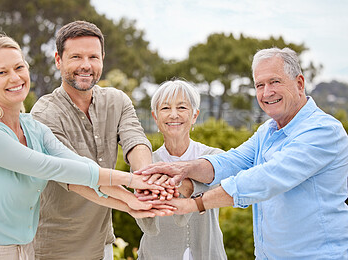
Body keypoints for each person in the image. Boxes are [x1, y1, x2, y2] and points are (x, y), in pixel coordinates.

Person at [0, 35, 166, 260]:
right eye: (2, 72)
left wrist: (130, 203)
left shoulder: (34, 128)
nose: (15, 78)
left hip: (24, 252)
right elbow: (53, 167)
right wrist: (131, 181)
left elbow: (79, 168)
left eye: (19, 67)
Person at [135, 47, 348, 259]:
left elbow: (266, 178)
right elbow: (232, 161)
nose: (266, 92)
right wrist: (183, 168)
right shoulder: (267, 131)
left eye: (275, 82)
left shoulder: (323, 131)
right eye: (259, 85)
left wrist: (195, 203)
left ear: (299, 83)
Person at [30, 20, 162, 260]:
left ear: (102, 58)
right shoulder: (44, 112)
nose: (86, 65)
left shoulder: (117, 101)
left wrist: (145, 182)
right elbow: (73, 175)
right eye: (76, 57)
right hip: (54, 248)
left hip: (102, 244)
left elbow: (136, 142)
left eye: (93, 57)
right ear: (58, 60)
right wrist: (131, 197)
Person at [135, 79, 227, 260]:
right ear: (155, 117)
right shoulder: (146, 162)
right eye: (165, 108)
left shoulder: (214, 157)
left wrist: (182, 185)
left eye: (182, 108)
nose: (173, 115)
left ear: (194, 115)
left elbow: (226, 192)